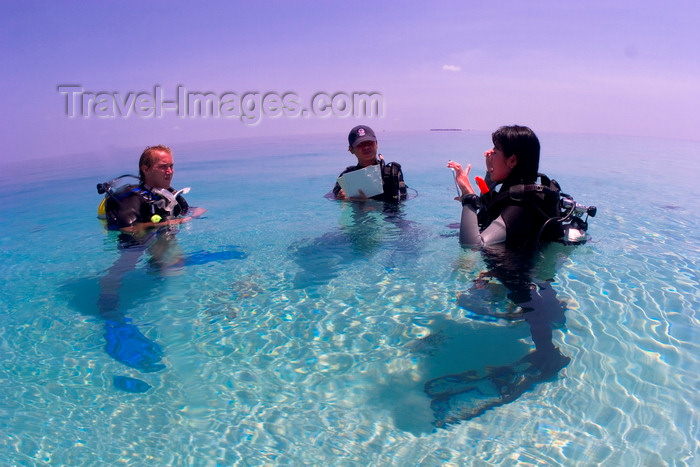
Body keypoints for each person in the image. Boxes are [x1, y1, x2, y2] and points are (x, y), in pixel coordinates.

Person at [425, 126, 572, 426]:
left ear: (514, 161)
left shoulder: (518, 206)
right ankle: (553, 318)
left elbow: (472, 244)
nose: (488, 154)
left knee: (519, 290)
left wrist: (467, 198)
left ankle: (548, 355)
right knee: (528, 288)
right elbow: (495, 210)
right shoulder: (527, 192)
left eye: (495, 150)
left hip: (519, 272)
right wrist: (481, 182)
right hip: (538, 266)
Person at [97, 145, 206, 379]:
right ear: (146, 169)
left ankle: (156, 268)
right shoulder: (133, 198)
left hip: (158, 235)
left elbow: (187, 210)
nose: (169, 171)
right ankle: (109, 313)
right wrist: (165, 225)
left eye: (171, 166)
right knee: (121, 270)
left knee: (175, 265)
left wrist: (193, 214)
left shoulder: (168, 194)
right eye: (162, 166)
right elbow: (129, 228)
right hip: (135, 241)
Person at [332, 125, 407, 203]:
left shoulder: (391, 173)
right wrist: (340, 198)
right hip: (359, 214)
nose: (366, 147)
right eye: (360, 144)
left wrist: (369, 203)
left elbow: (402, 199)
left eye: (369, 143)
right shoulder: (346, 178)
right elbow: (332, 197)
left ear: (376, 144)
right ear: (351, 149)